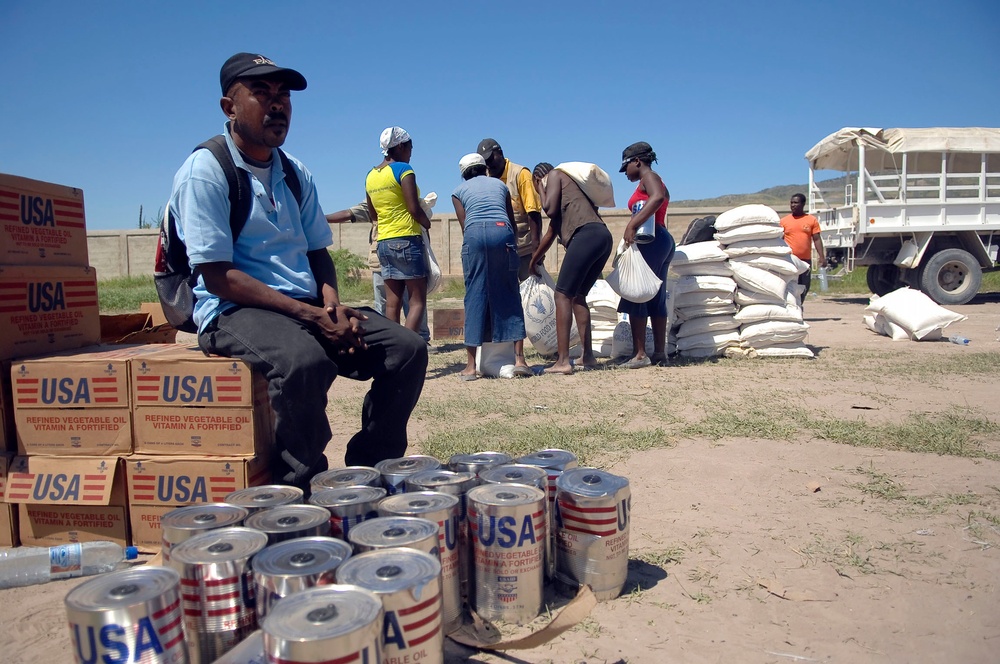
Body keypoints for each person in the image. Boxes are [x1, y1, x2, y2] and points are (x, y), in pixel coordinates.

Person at [168, 53, 427, 490]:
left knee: (407, 348)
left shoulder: (293, 171)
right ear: (229, 107)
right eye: (261, 93)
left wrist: (331, 306)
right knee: (303, 362)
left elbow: (317, 251)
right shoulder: (206, 171)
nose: (277, 104)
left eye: (284, 95)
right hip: (233, 309)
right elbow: (217, 276)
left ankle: (371, 469)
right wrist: (311, 317)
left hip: (303, 306)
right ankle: (300, 488)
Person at [529, 163, 613, 374]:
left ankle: (563, 361)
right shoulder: (570, 194)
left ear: (539, 179)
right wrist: (534, 261)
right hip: (603, 238)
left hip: (586, 236)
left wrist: (540, 187)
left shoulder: (555, 175)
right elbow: (550, 234)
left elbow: (548, 209)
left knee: (562, 295)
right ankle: (588, 356)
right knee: (577, 296)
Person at [452, 153, 527, 380]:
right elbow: (511, 221)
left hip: (474, 234)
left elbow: (465, 227)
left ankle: (470, 367)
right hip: (502, 230)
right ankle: (520, 360)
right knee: (510, 291)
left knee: (474, 295)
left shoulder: (458, 192)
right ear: (484, 168)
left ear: (464, 174)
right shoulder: (500, 185)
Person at [478, 138, 540, 376]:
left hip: (523, 249)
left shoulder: (519, 174)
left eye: (490, 159)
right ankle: (509, 353)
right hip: (499, 253)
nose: (488, 165)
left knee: (533, 300)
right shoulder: (487, 179)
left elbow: (533, 213)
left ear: (500, 153)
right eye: (484, 162)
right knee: (507, 301)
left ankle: (543, 344)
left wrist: (536, 250)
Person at [328, 202, 430, 342]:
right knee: (410, 301)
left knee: (393, 303)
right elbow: (349, 213)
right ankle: (410, 340)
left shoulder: (379, 197)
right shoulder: (401, 198)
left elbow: (349, 213)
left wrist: (319, 218)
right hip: (396, 254)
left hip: (382, 253)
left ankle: (403, 341)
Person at [365, 127, 433, 335]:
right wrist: (427, 222)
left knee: (392, 304)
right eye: (410, 148)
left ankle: (394, 347)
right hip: (407, 239)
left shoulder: (371, 176)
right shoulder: (404, 170)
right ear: (401, 146)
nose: (411, 153)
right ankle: (408, 346)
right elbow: (413, 209)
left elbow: (373, 215)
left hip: (383, 243)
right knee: (417, 301)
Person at [617, 141, 676, 368]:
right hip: (661, 240)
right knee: (656, 295)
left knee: (637, 292)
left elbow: (657, 197)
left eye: (626, 167)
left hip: (650, 240)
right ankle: (660, 353)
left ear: (637, 161)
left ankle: (640, 354)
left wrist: (632, 225)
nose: (625, 173)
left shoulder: (649, 177)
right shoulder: (655, 179)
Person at [780, 193, 828, 306]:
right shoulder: (784, 221)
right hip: (789, 260)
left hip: (805, 261)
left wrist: (822, 257)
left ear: (803, 204)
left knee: (805, 285)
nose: (793, 205)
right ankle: (789, 306)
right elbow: (779, 240)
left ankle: (799, 306)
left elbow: (817, 239)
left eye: (796, 203)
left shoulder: (811, 220)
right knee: (788, 285)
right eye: (792, 202)